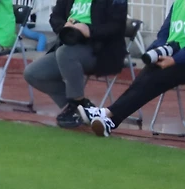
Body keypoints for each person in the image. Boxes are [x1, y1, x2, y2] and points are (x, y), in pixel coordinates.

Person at [86, 0, 185, 137]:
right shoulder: (178, 4)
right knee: (143, 80)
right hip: (170, 57)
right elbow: (163, 34)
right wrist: (156, 51)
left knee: (152, 80)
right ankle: (110, 121)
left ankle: (106, 113)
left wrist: (175, 59)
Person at [23, 0, 128, 128]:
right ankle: (81, 107)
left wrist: (89, 30)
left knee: (66, 53)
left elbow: (117, 26)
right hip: (69, 45)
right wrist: (64, 27)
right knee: (33, 73)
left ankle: (76, 104)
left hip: (101, 51)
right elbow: (55, 17)